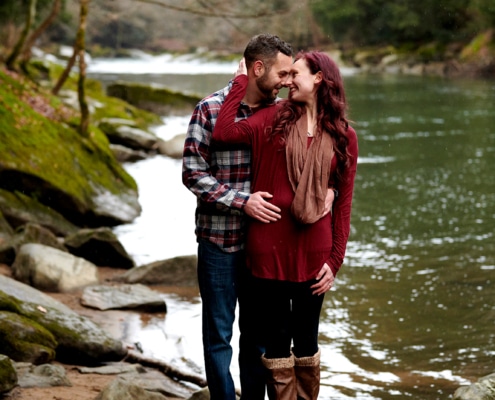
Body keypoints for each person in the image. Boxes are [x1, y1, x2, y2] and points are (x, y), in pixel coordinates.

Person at [212, 51, 358, 399]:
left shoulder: (343, 136)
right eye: (286, 74)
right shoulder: (273, 118)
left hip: (314, 254)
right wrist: (240, 82)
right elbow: (224, 132)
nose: (288, 81)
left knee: (307, 342)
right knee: (276, 342)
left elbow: (343, 206)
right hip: (268, 252)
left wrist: (335, 261)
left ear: (319, 78)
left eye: (295, 74)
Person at [182, 34, 295, 400]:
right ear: (257, 68)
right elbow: (193, 173)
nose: (286, 82)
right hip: (219, 241)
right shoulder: (210, 109)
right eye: (282, 73)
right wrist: (240, 201)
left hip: (263, 247)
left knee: (257, 337)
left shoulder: (280, 113)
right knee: (218, 335)